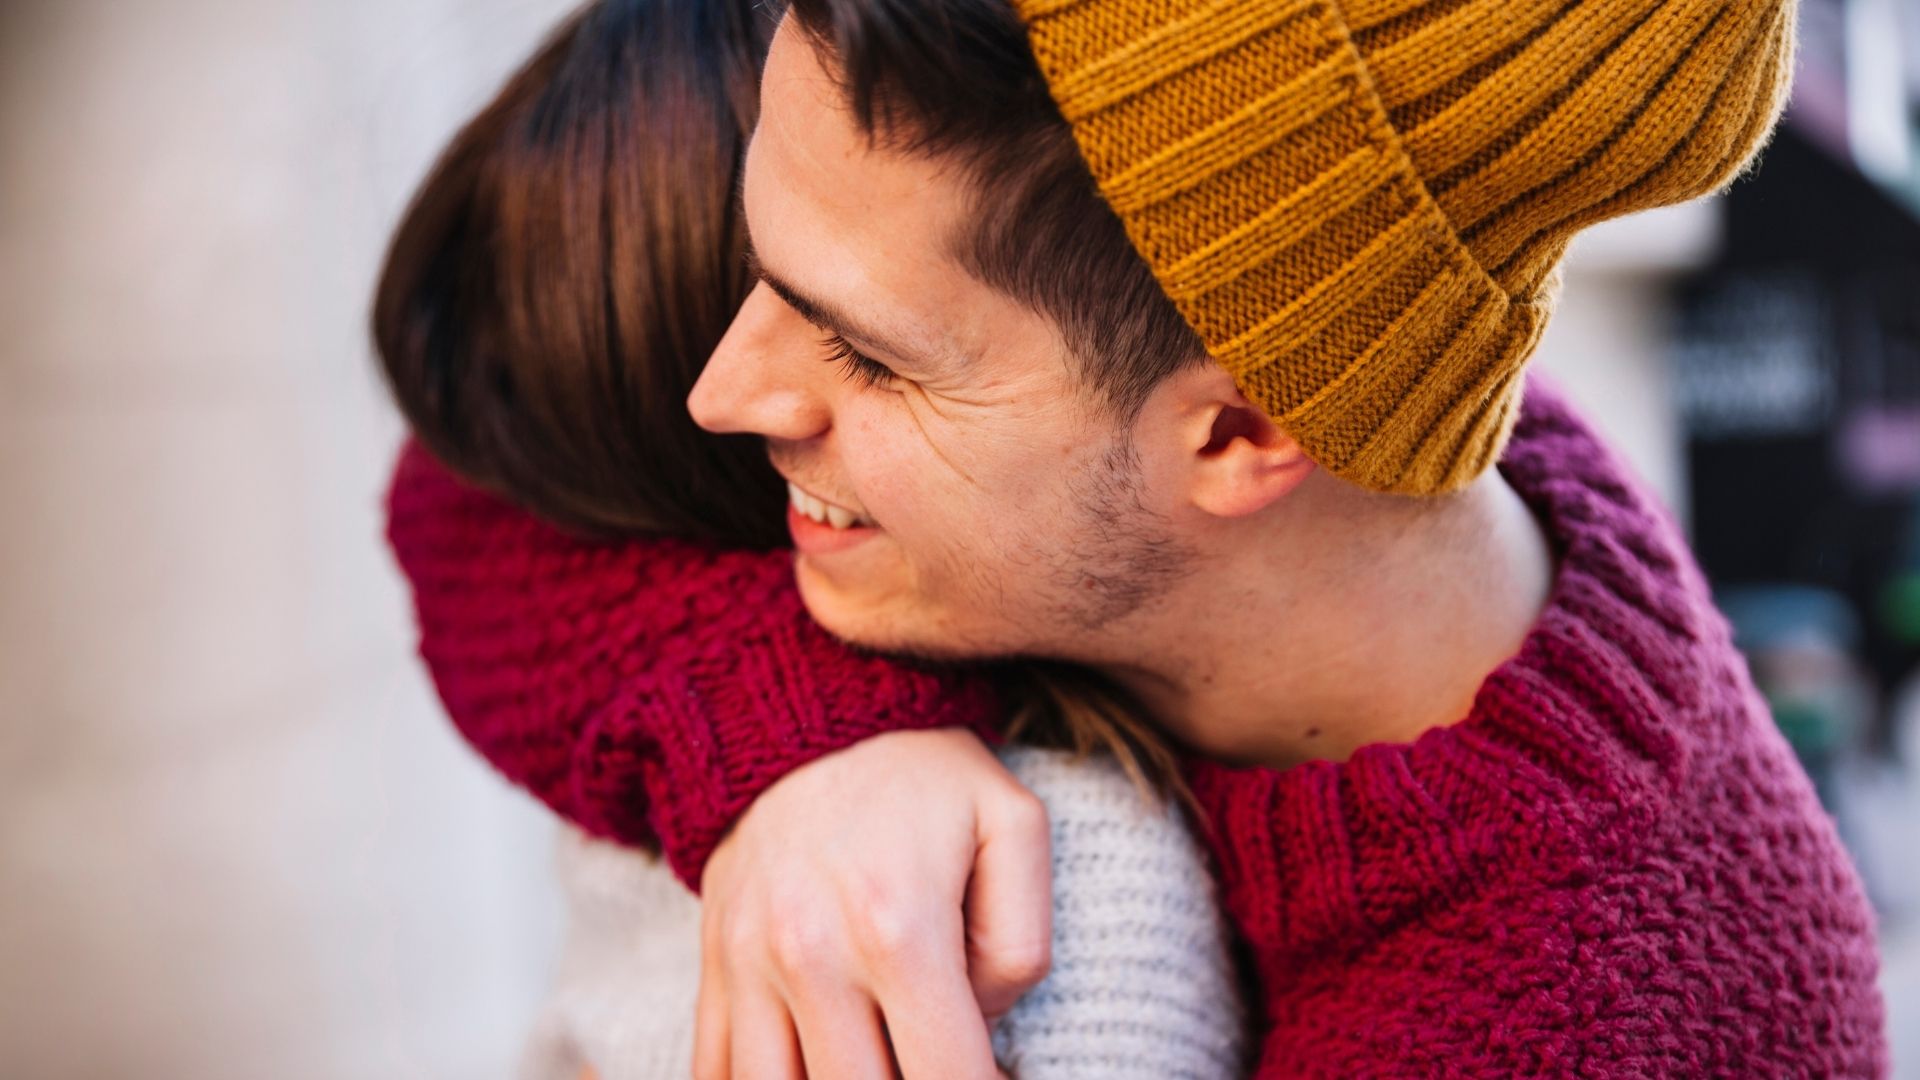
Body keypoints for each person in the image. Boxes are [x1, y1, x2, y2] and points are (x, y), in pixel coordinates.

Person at [382, 0, 1891, 1075]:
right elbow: (490, 449)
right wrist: (800, 743)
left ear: (1240, 437)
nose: (724, 391)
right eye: (760, 274)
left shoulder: (1590, 1018)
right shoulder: (1337, 377)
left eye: (862, 355)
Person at [372, 1, 1247, 1077]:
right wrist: (793, 718)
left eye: (858, 348)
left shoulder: (1049, 927)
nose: (717, 394)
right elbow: (456, 478)